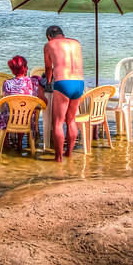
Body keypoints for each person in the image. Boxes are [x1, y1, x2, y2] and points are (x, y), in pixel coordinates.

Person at [43, 25, 84, 162]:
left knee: (58, 123)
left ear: (49, 36)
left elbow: (48, 68)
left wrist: (49, 81)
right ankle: (69, 153)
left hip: (63, 83)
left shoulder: (49, 45)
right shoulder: (76, 43)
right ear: (62, 34)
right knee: (71, 120)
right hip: (79, 83)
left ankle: (58, 157)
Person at [0, 55, 43, 149]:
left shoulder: (7, 83)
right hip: (27, 118)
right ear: (25, 68)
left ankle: (5, 144)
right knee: (23, 112)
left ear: (12, 70)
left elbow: (5, 99)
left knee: (5, 113)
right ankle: (19, 143)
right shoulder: (33, 82)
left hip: (11, 118)